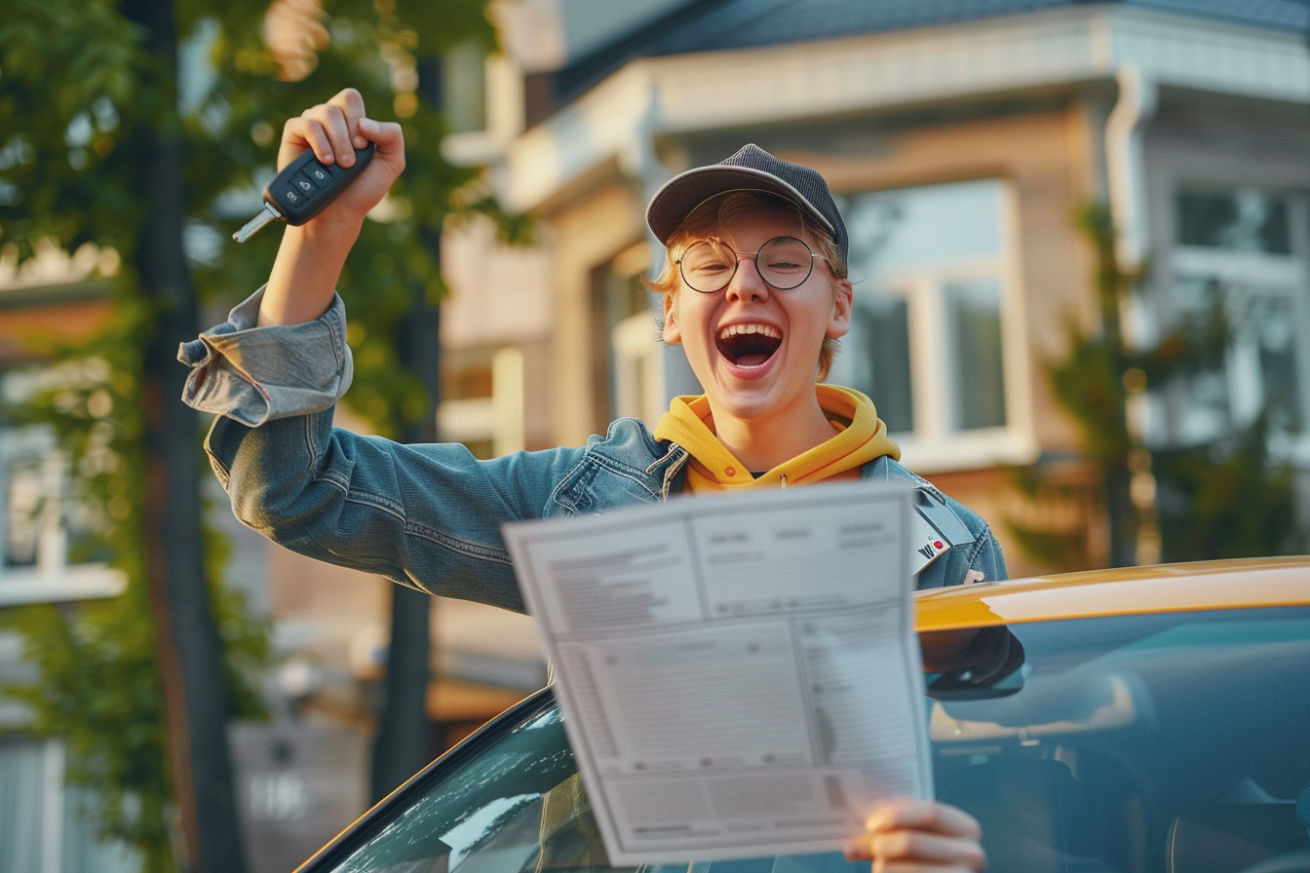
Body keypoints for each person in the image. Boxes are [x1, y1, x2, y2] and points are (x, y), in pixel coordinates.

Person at [181, 88, 1000, 872]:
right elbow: (300, 487)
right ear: (669, 313)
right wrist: (323, 234)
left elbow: (1006, 787)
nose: (745, 284)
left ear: (841, 307)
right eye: (707, 265)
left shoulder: (943, 549)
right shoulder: (586, 503)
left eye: (785, 262)